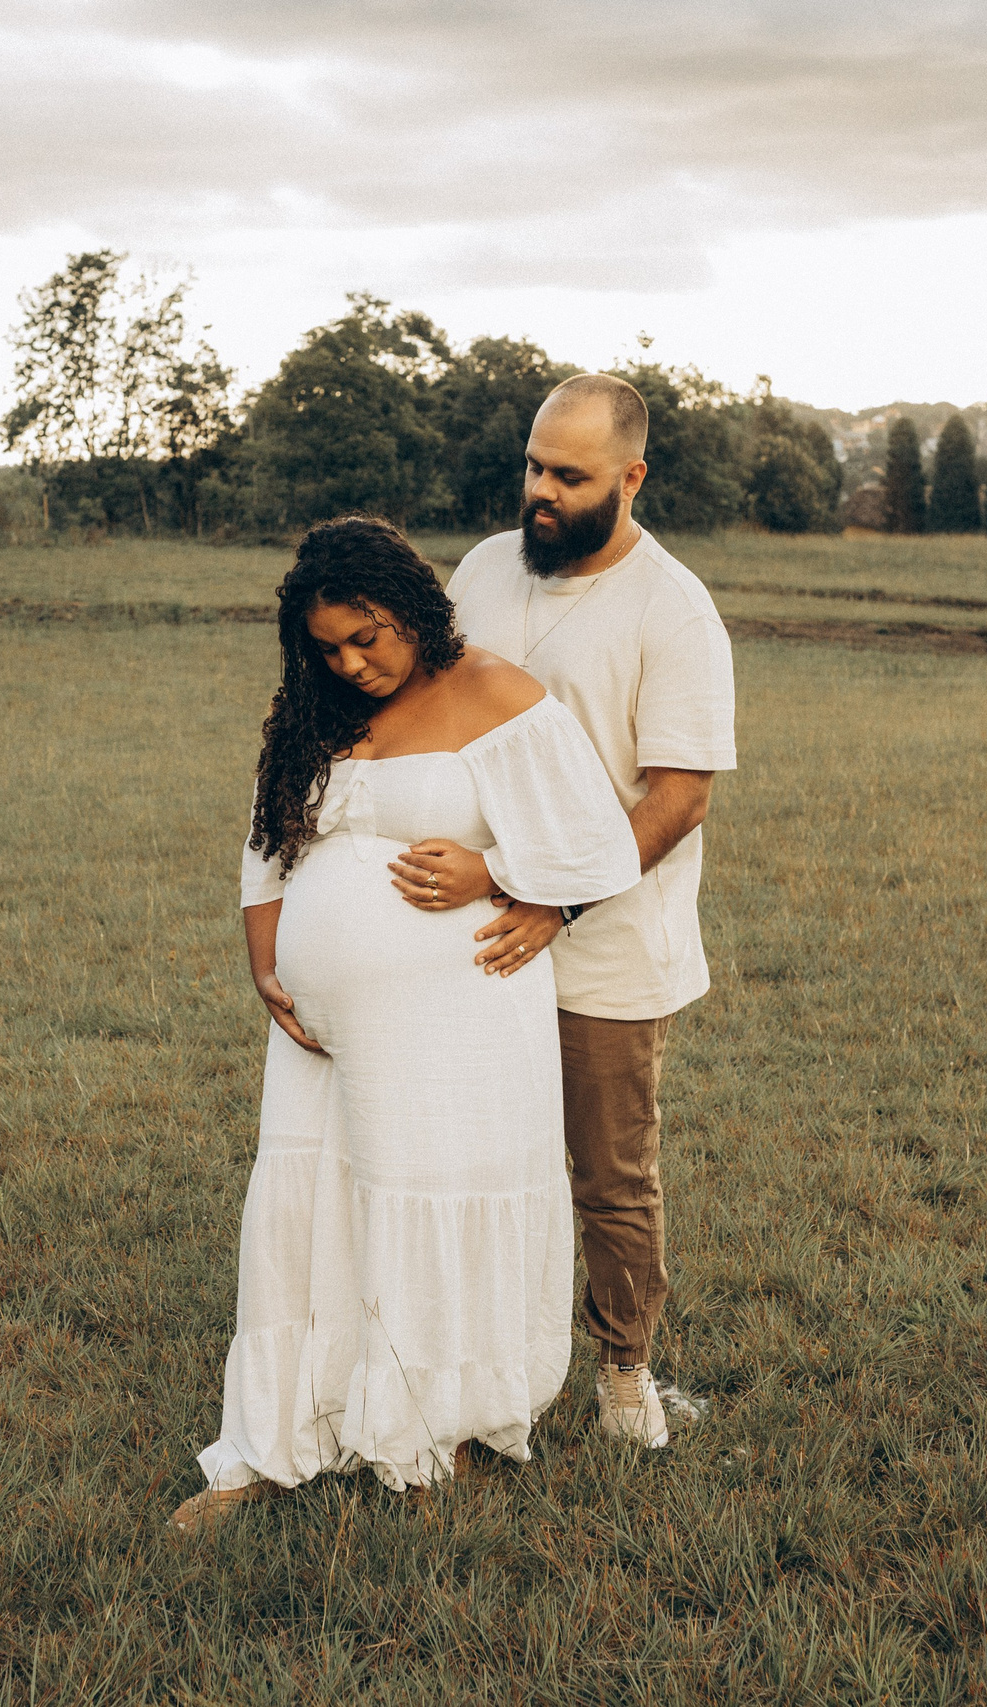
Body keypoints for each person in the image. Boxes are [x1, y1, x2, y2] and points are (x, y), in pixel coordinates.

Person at [173, 517, 639, 1534]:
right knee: (313, 1213)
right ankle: (274, 1437)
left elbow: (599, 844)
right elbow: (267, 847)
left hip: (458, 1017)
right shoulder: (313, 710)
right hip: (317, 1036)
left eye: (367, 635)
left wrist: (503, 878)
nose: (350, 661)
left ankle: (434, 1437)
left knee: (426, 1196)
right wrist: (266, 959)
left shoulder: (493, 691)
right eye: (328, 646)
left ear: (413, 608)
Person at [409, 374, 737, 1451]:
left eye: (568, 475)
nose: (539, 492)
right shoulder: (482, 570)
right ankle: (470, 1370)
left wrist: (549, 895)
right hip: (471, 927)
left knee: (607, 1172)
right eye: (532, 467)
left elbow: (678, 796)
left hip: (602, 943)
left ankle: (622, 1373)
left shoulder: (672, 609)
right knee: (468, 1154)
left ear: (631, 478)